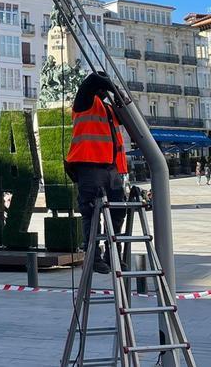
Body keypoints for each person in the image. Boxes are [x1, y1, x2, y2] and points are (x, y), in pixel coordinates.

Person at [66, 71, 128, 275]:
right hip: (89, 164)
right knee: (92, 213)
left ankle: (113, 253)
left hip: (111, 167)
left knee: (118, 210)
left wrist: (119, 95)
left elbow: (125, 113)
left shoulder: (109, 109)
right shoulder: (84, 102)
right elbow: (91, 81)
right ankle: (93, 256)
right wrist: (111, 85)